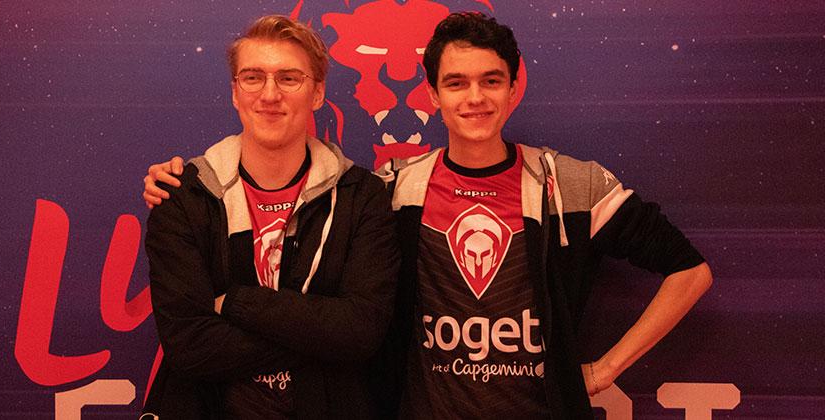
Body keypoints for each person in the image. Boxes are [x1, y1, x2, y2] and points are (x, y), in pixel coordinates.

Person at [144, 12, 712, 419]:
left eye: (491, 81)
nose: (475, 98)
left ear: (515, 87)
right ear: (433, 95)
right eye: (456, 83)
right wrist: (182, 177)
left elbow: (690, 270)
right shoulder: (394, 188)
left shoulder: (571, 186)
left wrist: (605, 369)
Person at [141, 15, 398, 419]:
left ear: (317, 93)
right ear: (234, 92)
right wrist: (321, 335)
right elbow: (189, 346)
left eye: (289, 78)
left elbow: (360, 332)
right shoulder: (182, 195)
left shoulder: (361, 196)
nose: (269, 94)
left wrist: (234, 302)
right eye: (253, 78)